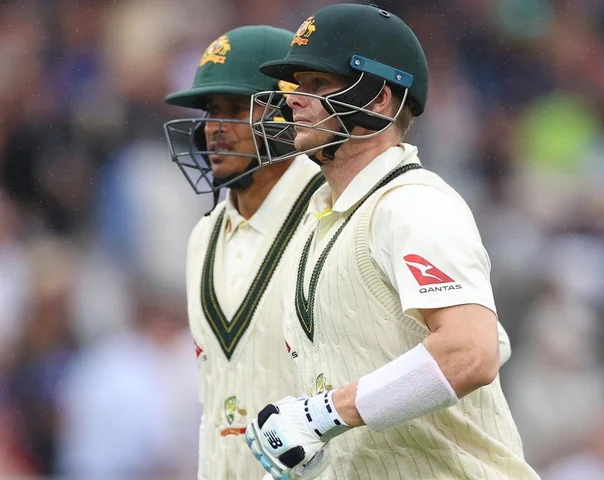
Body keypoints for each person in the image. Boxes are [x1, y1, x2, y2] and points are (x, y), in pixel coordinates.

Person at [244, 4, 538, 479]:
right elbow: (487, 341)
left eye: (318, 84)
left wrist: (322, 414)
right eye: (296, 85)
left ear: (379, 99)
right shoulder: (319, 221)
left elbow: (472, 352)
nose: (294, 99)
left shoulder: (411, 205)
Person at [163, 25, 324, 480]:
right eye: (210, 111)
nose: (214, 129)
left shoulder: (333, 213)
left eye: (234, 109)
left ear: (283, 114)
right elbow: (216, 395)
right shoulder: (204, 236)